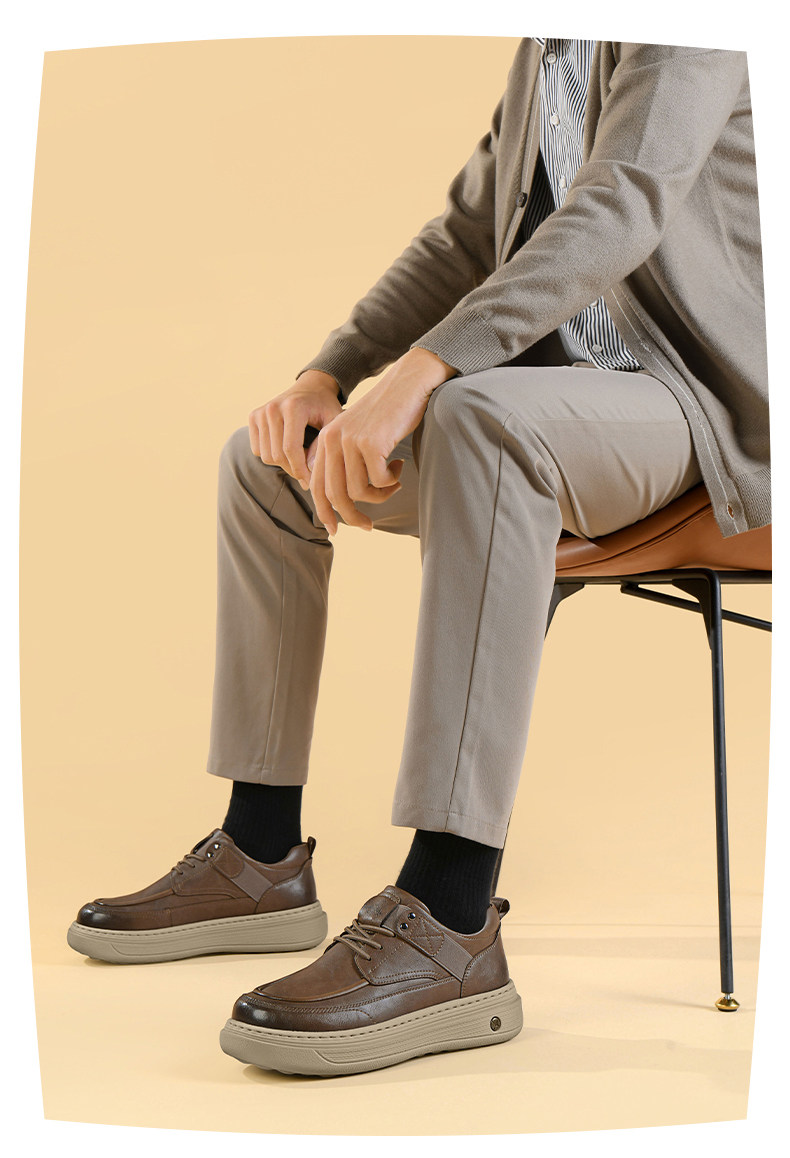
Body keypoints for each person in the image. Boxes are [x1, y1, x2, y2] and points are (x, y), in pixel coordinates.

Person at [67, 38, 769, 1077]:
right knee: (270, 461)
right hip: (561, 407)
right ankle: (259, 856)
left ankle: (451, 915)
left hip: (706, 412)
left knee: (485, 420)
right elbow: (462, 238)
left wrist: (427, 368)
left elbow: (621, 203)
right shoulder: (549, 46)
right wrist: (329, 374)